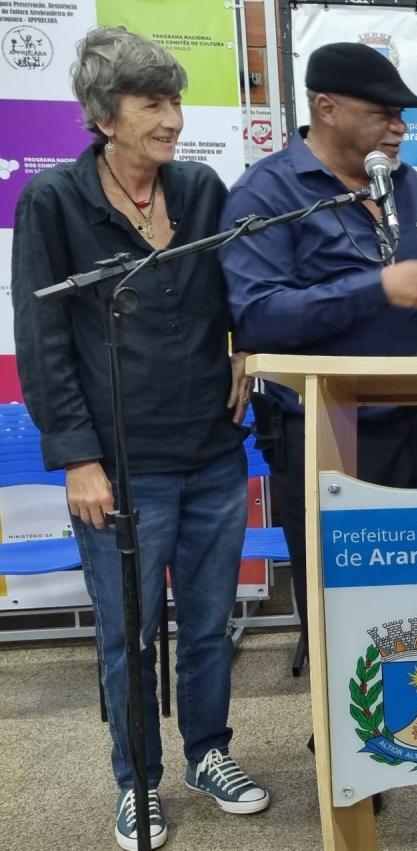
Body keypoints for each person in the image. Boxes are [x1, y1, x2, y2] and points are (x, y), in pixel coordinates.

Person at [10, 27, 270, 850]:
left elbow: (243, 287)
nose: (173, 117)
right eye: (153, 103)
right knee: (129, 634)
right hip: (120, 467)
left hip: (213, 453)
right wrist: (78, 457)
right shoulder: (54, 203)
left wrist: (251, 344)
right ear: (103, 116)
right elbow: (44, 343)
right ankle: (136, 781)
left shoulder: (199, 188)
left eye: (176, 99)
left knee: (204, 622)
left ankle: (207, 753)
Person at [219, 43, 417, 662]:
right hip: (328, 433)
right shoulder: (266, 194)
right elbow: (258, 316)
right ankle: (343, 750)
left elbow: (413, 274)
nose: (399, 129)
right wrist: (377, 289)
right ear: (325, 107)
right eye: (383, 113)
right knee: (349, 604)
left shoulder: (408, 185)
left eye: (403, 116)